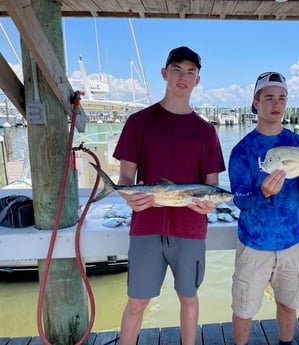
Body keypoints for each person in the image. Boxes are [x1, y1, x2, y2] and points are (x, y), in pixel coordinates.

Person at [113, 46, 226, 345]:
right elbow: (126, 178)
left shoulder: (206, 132)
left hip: (190, 229)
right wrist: (127, 195)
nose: (183, 77)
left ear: (197, 81)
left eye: (191, 72)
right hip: (146, 225)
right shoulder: (139, 122)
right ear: (164, 73)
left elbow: (211, 185)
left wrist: (206, 207)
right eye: (177, 69)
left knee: (188, 298)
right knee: (137, 301)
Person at [228, 72, 299, 345]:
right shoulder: (242, 150)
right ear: (256, 103)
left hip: (292, 242)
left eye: (282, 98)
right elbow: (238, 198)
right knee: (243, 310)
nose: (276, 104)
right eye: (269, 98)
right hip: (253, 244)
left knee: (288, 304)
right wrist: (261, 192)